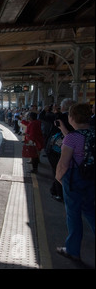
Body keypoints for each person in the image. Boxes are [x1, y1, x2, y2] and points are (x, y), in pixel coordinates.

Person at [55, 103, 95, 261]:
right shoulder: (92, 133)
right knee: (90, 209)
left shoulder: (72, 138)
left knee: (73, 213)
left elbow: (64, 163)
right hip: (91, 176)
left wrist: (59, 177)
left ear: (72, 118)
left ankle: (72, 250)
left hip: (74, 177)